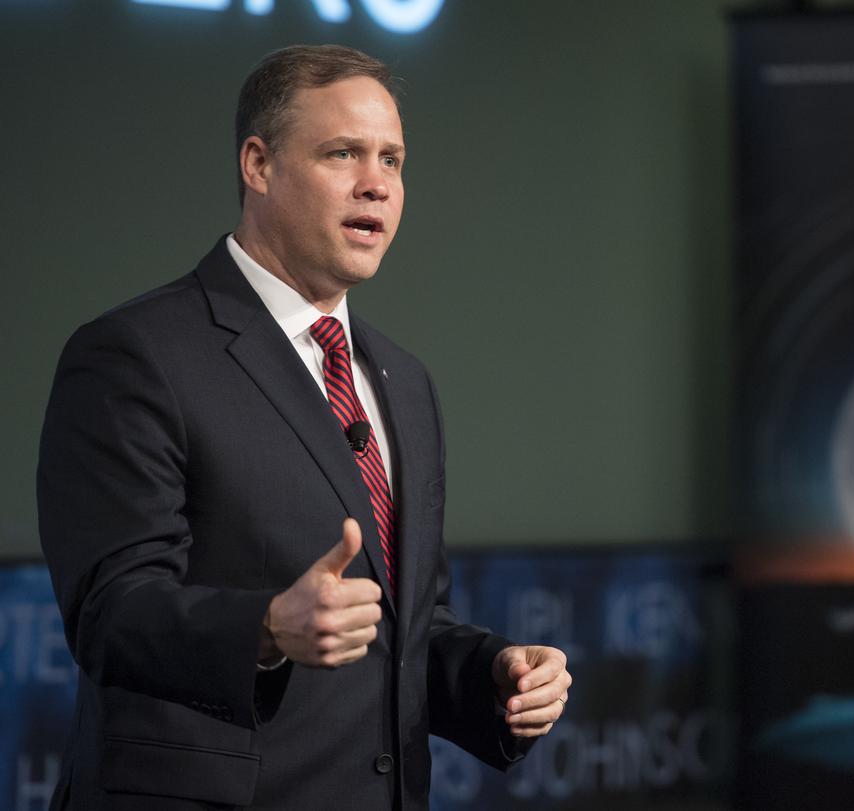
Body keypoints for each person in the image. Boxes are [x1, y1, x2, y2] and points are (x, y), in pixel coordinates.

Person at [37, 44, 571, 810]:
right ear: (258, 165)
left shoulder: (402, 381)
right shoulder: (136, 354)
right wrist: (264, 627)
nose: (376, 184)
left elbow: (402, 628)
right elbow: (110, 611)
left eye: (392, 159)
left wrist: (493, 673)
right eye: (343, 153)